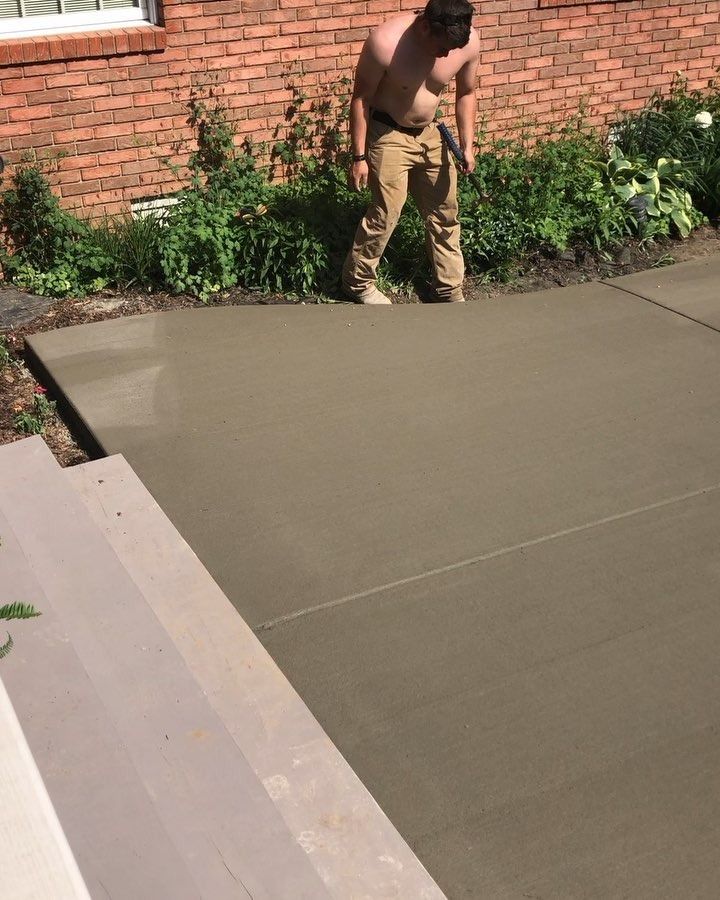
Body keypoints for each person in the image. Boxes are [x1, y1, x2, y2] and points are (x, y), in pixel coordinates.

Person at [342, 0, 479, 305]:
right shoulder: (385, 43)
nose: (446, 55)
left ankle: (448, 288)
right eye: (442, 48)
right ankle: (358, 282)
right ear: (426, 26)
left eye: (453, 49)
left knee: (445, 211)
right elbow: (361, 99)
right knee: (386, 212)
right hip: (388, 132)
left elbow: (467, 93)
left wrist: (468, 144)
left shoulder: (465, 43)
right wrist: (359, 157)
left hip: (431, 134)